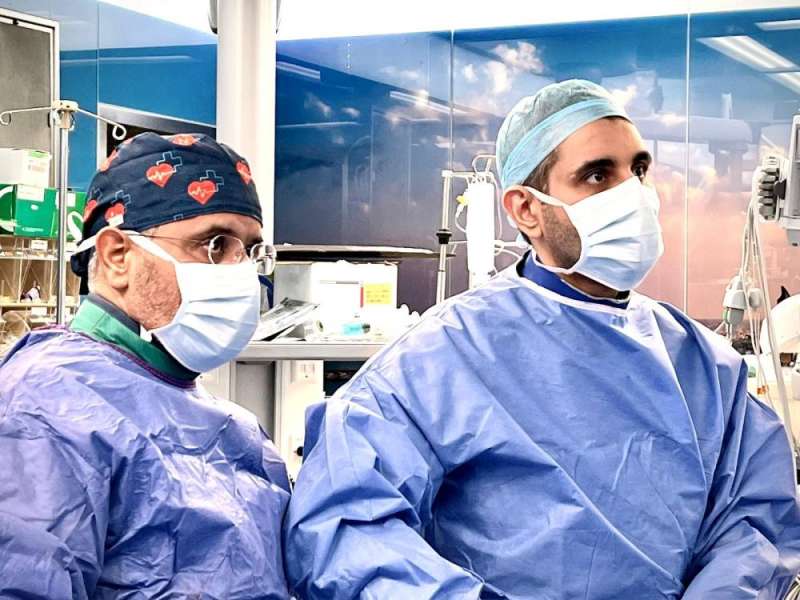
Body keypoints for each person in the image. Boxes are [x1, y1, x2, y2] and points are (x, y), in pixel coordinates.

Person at [283, 80, 800, 599]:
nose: (634, 195)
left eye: (638, 170)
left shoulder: (705, 366)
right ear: (526, 209)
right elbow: (346, 528)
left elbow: (755, 526)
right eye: (598, 175)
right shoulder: (440, 358)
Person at [0, 133, 290, 598]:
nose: (240, 272)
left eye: (250, 251)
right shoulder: (45, 407)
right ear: (117, 256)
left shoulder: (230, 427)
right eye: (215, 244)